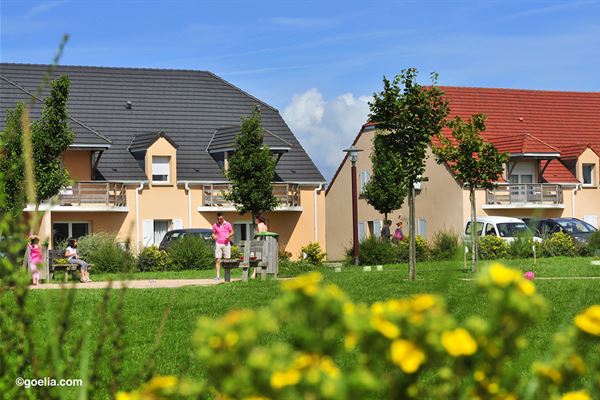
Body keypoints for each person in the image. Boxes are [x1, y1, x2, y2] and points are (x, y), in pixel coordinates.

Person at [211, 212, 233, 281]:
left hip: (226, 244)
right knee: (218, 259)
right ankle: (218, 276)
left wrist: (229, 235)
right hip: (218, 244)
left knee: (227, 260)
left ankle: (227, 276)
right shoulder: (215, 225)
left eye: (221, 219)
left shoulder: (228, 224)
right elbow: (213, 234)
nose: (219, 220)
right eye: (218, 219)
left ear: (223, 218)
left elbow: (232, 232)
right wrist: (213, 236)